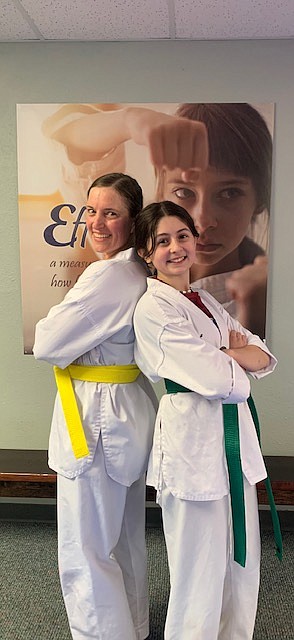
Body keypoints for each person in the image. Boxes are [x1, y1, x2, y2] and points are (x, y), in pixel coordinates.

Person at [133, 200, 277, 640]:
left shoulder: (207, 302)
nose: (175, 248)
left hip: (231, 447)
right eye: (162, 241)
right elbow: (222, 381)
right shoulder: (154, 309)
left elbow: (265, 356)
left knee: (241, 559)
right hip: (192, 447)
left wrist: (226, 355)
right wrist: (235, 361)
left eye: (182, 236)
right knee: (199, 569)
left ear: (195, 240)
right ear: (145, 253)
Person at [33, 173, 157, 640]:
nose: (97, 222)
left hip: (97, 419)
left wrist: (57, 327)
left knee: (86, 546)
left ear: (133, 222)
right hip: (122, 412)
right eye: (91, 210)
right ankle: (133, 626)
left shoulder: (108, 275)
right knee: (122, 538)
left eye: (111, 213)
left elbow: (48, 341)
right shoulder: (135, 270)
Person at [43, 102, 271, 337]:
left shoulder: (265, 296)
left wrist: (254, 316)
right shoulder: (131, 252)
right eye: (184, 192)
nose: (202, 221)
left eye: (229, 193)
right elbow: (68, 140)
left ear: (261, 198)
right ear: (162, 190)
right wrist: (130, 120)